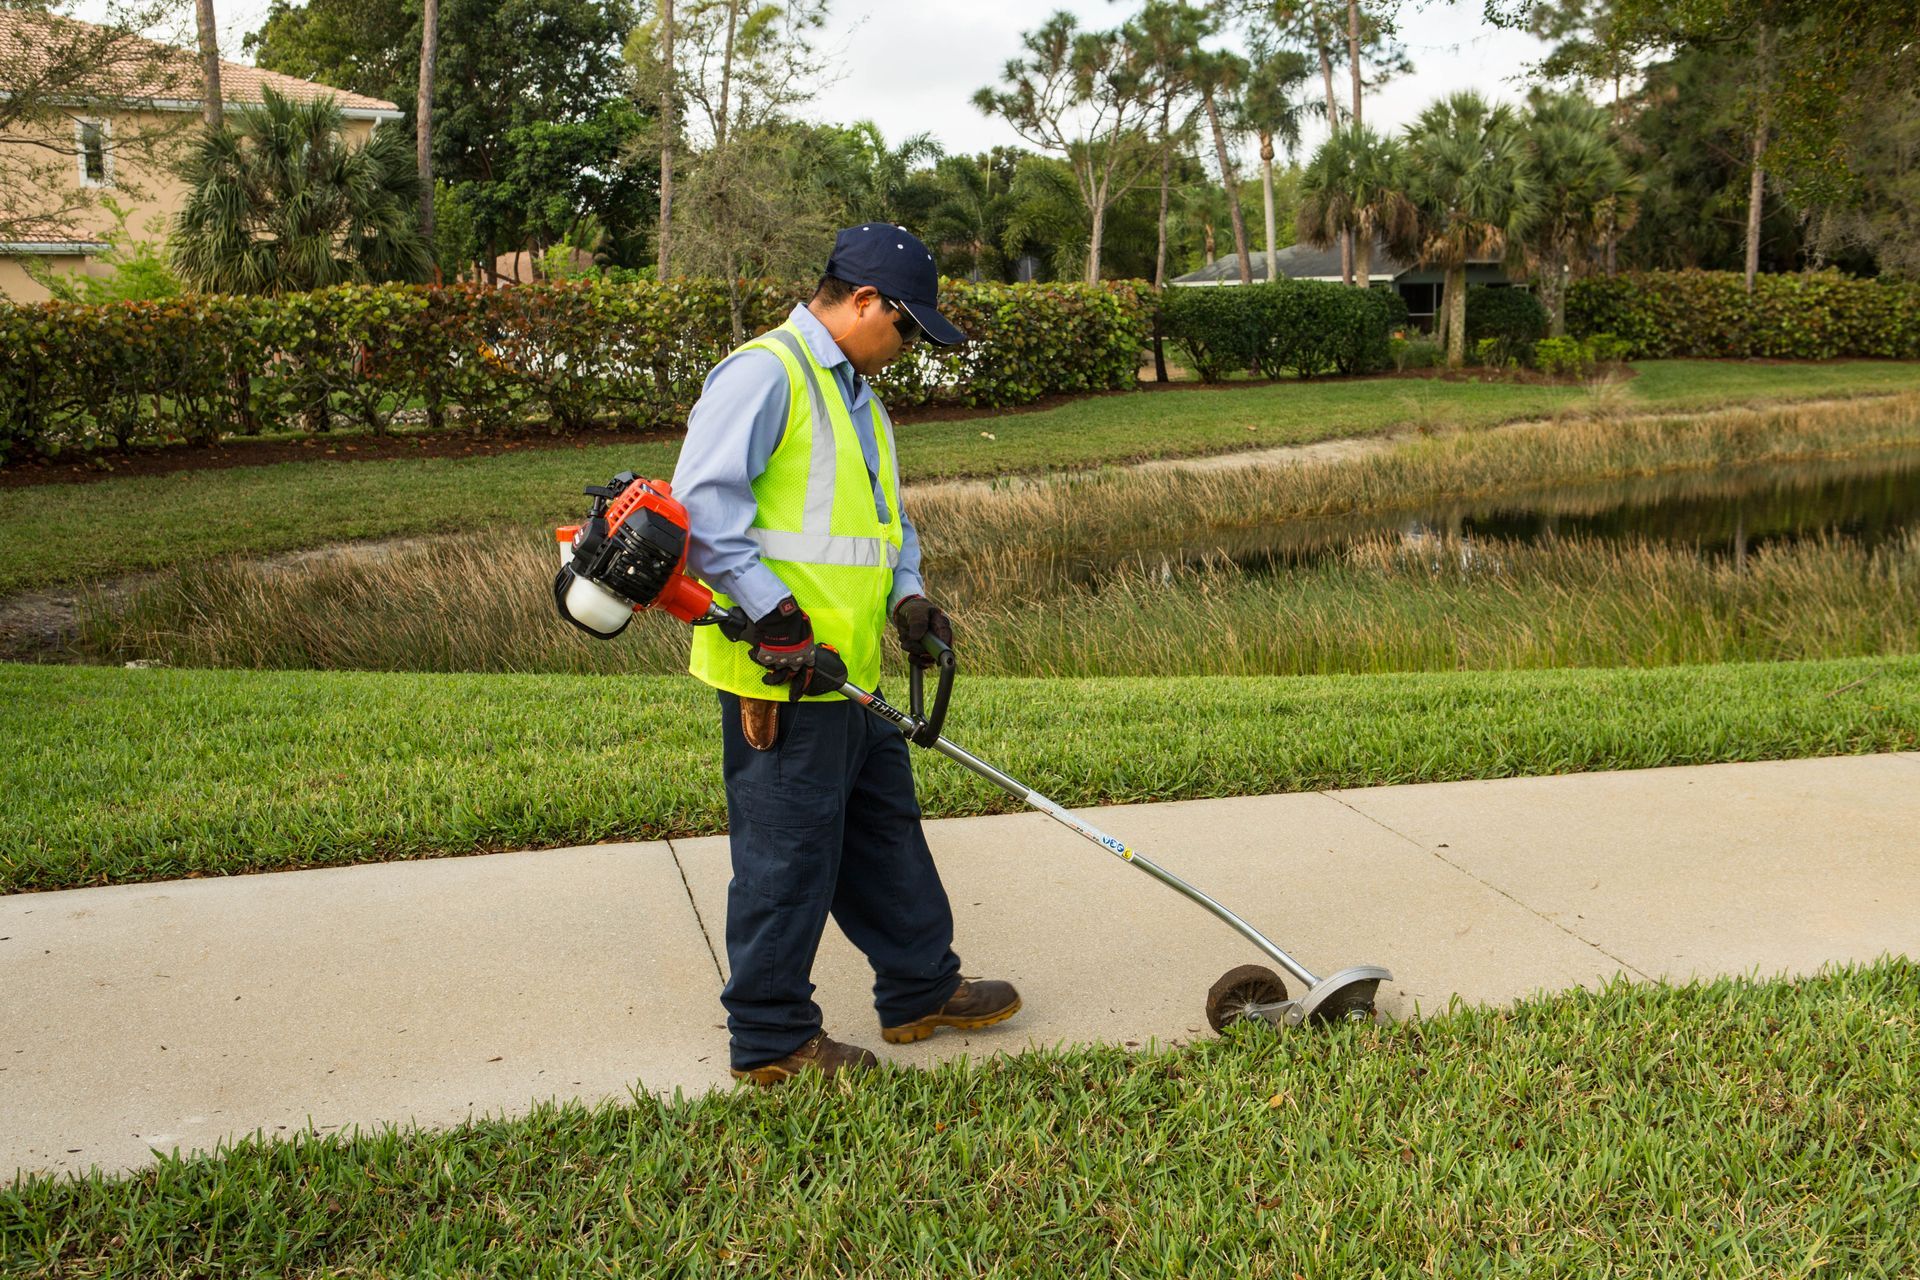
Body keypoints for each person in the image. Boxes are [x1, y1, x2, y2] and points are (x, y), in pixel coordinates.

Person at [671, 224, 1023, 1086]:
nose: (907, 349)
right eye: (906, 328)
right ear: (865, 301)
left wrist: (908, 597)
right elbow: (703, 512)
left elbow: (883, 523)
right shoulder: (766, 373)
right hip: (782, 677)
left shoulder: (859, 396)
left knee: (883, 837)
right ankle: (770, 1039)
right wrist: (775, 615)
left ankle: (919, 988)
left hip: (850, 671)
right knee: (786, 858)